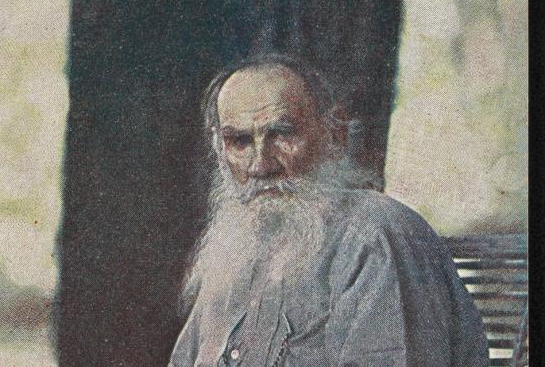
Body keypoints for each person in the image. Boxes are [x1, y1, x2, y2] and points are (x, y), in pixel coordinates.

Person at [169, 53, 488, 366]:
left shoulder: (375, 238)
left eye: (281, 135)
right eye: (239, 142)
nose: (260, 165)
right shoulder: (235, 250)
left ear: (335, 136)